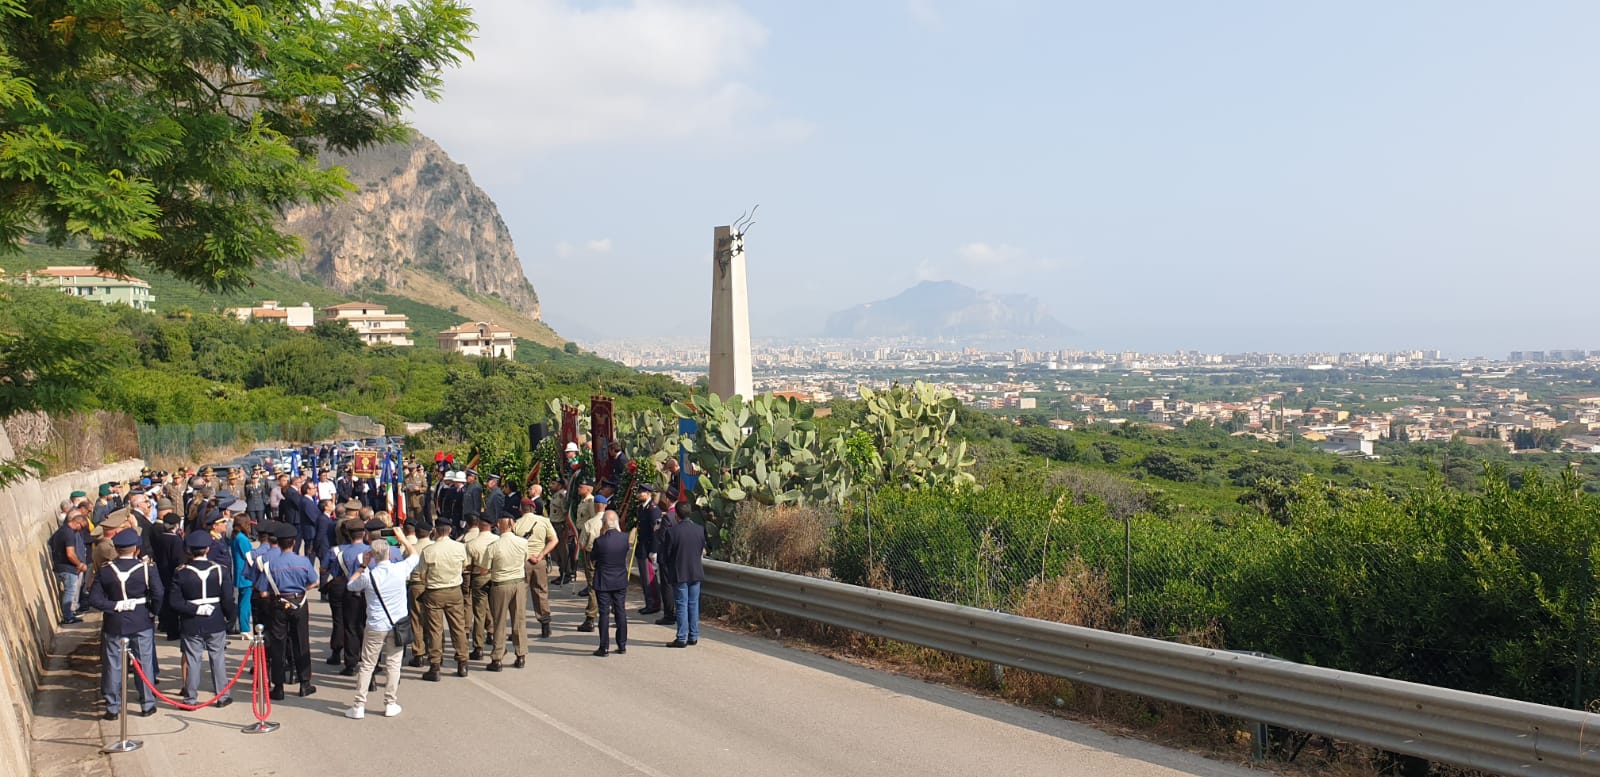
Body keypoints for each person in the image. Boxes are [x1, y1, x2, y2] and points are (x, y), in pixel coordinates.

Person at [343, 525, 420, 719]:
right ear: (389, 553)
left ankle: (359, 705)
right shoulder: (399, 569)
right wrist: (402, 539)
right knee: (394, 664)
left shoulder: (369, 576)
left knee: (368, 664)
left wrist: (362, 566)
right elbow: (414, 556)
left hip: (376, 624)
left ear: (372, 555)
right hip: (397, 623)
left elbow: (351, 585)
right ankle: (390, 702)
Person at [87, 529, 161, 719]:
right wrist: (153, 612)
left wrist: (114, 605)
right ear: (135, 549)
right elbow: (158, 593)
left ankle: (112, 706)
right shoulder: (147, 569)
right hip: (141, 620)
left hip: (115, 621)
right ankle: (147, 703)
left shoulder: (105, 570)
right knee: (143, 663)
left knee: (113, 665)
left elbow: (95, 599)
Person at [169, 530, 237, 708]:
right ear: (208, 549)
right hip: (215, 619)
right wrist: (230, 618)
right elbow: (228, 599)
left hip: (192, 621)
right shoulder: (220, 570)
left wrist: (194, 609)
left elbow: (175, 601)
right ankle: (222, 695)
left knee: (193, 660)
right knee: (218, 658)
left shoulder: (181, 573)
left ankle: (190, 698)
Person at [260, 523, 318, 699]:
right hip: (299, 601)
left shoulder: (269, 565)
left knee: (278, 644)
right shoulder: (303, 561)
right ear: (293, 542)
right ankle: (304, 683)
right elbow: (314, 582)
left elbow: (263, 592)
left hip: (278, 603)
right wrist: (303, 589)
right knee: (301, 641)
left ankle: (278, 687)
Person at [416, 520, 471, 680]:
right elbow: (464, 566)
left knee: (435, 630)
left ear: (435, 531)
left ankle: (435, 666)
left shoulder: (428, 550)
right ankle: (462, 663)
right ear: (450, 530)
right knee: (458, 627)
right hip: (454, 590)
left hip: (434, 592)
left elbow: (422, 575)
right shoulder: (460, 547)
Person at [324, 513, 369, 675]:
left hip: (343, 585)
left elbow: (325, 569)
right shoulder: (371, 551)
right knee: (364, 625)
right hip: (366, 589)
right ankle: (370, 661)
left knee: (344, 623)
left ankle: (348, 661)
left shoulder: (337, 551)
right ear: (363, 533)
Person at [484, 515, 529, 671]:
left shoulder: (493, 546)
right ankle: (521, 655)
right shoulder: (523, 542)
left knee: (499, 622)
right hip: (518, 583)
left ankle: (497, 658)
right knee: (519, 620)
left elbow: (485, 568)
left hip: (500, 585)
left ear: (498, 525)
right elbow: (525, 559)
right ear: (513, 524)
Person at [512, 498, 559, 639]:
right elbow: (554, 540)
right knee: (541, 593)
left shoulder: (517, 524)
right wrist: (541, 555)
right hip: (540, 562)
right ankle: (545, 625)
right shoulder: (544, 521)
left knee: (520, 595)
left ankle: (519, 628)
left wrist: (529, 555)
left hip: (523, 562)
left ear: (521, 509)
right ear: (533, 509)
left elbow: (514, 545)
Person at [662, 502, 706, 648]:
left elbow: (667, 554)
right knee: (693, 604)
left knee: (681, 605)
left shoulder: (672, 531)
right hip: (695, 571)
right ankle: (693, 635)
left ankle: (681, 637)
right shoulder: (699, 529)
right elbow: (700, 549)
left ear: (677, 516)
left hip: (680, 572)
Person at [590, 510, 630, 657]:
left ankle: (604, 646)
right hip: (619, 579)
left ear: (604, 524)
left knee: (604, 613)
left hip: (604, 580)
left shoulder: (600, 541)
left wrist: (602, 534)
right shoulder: (624, 538)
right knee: (620, 611)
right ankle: (622, 644)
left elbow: (592, 557)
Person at [464, 513, 497, 659]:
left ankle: (478, 647)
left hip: (479, 577)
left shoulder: (472, 544)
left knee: (479, 613)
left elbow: (467, 566)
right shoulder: (498, 540)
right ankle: (496, 641)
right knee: (497, 612)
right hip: (496, 577)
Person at [50, 508, 89, 625]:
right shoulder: (69, 534)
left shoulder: (61, 531)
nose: (81, 530)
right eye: (81, 527)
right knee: (70, 591)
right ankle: (68, 617)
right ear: (77, 522)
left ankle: (69, 615)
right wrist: (80, 564)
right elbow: (70, 553)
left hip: (60, 565)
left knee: (70, 591)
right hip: (67, 568)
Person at [575, 494, 607, 632]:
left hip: (592, 555)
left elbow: (581, 544)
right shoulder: (612, 520)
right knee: (609, 586)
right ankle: (614, 614)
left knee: (593, 586)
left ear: (595, 506)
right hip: (608, 557)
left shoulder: (589, 523)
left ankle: (590, 618)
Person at [404, 521, 433, 666]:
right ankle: (432, 648)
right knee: (432, 619)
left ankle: (418, 653)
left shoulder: (411, 549)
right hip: (432, 585)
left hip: (415, 585)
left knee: (416, 619)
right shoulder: (434, 547)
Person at [632, 485, 664, 615]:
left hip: (649, 548)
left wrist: (654, 551)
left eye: (642, 492)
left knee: (649, 578)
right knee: (644, 578)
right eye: (638, 492)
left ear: (649, 493)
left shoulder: (653, 510)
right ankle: (648, 602)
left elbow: (656, 532)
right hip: (642, 547)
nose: (639, 494)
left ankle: (654, 603)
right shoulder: (642, 508)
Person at [230, 515, 256, 636]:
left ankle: (243, 626)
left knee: (242, 601)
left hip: (240, 573)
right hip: (246, 575)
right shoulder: (243, 539)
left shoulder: (236, 537)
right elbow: (249, 557)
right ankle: (245, 628)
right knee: (246, 602)